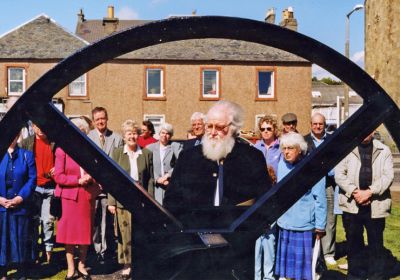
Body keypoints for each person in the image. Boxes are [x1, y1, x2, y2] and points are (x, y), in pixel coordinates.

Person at [164, 101, 272, 278]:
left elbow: (264, 202)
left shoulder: (252, 157)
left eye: (219, 127)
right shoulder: (188, 157)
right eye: (209, 126)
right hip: (194, 247)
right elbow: (171, 201)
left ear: (233, 127)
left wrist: (247, 232)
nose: (212, 132)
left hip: (237, 248)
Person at [335, 132, 393, 280]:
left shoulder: (384, 150)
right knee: (354, 243)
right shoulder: (347, 149)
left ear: (373, 131)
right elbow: (339, 175)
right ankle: (356, 275)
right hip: (352, 205)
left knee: (376, 244)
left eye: (369, 130)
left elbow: (388, 176)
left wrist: (369, 193)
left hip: (375, 205)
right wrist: (355, 192)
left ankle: (376, 276)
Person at [275, 132, 327, 280]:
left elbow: (320, 199)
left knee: (303, 272)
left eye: (290, 148)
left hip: (303, 226)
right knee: (286, 272)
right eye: (284, 148)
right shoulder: (281, 165)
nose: (286, 152)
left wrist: (320, 225)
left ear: (300, 149)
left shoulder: (312, 168)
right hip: (285, 223)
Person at [54, 118, 101, 280]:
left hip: (87, 196)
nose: (78, 133)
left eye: (82, 131)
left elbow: (98, 171)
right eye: (75, 130)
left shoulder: (90, 150)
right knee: (69, 235)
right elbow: (59, 176)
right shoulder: (62, 150)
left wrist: (91, 178)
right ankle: (70, 268)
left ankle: (82, 265)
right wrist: (77, 180)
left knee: (84, 233)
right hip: (69, 198)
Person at [108, 120, 154, 279]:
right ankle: (127, 265)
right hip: (123, 200)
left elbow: (150, 180)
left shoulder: (147, 154)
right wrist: (111, 202)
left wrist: (151, 201)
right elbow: (112, 179)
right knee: (125, 233)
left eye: (135, 133)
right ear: (124, 136)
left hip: (142, 200)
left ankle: (140, 263)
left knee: (141, 232)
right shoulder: (117, 153)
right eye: (129, 133)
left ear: (138, 135)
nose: (132, 136)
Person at [87, 107, 123, 263]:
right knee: (95, 221)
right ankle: (96, 251)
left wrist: (107, 181)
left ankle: (107, 252)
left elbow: (119, 164)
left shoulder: (117, 138)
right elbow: (87, 162)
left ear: (107, 119)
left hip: (110, 188)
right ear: (94, 121)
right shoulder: (88, 137)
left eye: (103, 118)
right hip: (93, 186)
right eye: (97, 119)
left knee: (108, 221)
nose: (100, 122)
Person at [0, 133, 36, 279]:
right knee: (2, 240)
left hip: (20, 206)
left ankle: (21, 272)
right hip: (1, 206)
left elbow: (32, 179)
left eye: (14, 134)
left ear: (18, 136)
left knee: (20, 239)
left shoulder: (27, 155)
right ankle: (2, 273)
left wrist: (20, 197)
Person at [304, 113, 337, 266]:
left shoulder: (332, 139)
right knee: (310, 218)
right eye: (315, 124)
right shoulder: (304, 141)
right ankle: (311, 250)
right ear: (311, 124)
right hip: (310, 187)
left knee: (330, 219)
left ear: (325, 125)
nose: (318, 126)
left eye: (321, 124)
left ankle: (328, 252)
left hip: (328, 185)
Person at [20, 123, 56, 264]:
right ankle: (34, 252)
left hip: (50, 188)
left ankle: (48, 252)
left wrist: (57, 168)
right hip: (34, 188)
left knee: (47, 221)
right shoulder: (26, 143)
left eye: (41, 124)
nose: (40, 128)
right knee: (34, 222)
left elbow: (61, 159)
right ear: (33, 127)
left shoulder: (54, 141)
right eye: (36, 126)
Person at [254, 115, 281, 280]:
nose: (265, 132)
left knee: (270, 238)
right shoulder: (256, 147)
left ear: (274, 130)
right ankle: (257, 276)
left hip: (274, 197)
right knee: (256, 239)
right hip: (257, 198)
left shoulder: (281, 147)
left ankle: (269, 276)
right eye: (262, 129)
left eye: (268, 129)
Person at [146, 123, 182, 205]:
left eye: (168, 133)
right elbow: (148, 166)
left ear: (171, 135)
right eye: (163, 133)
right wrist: (157, 179)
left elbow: (181, 163)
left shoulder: (175, 146)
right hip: (155, 186)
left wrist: (168, 175)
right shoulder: (150, 148)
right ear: (159, 133)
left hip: (170, 185)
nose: (165, 135)